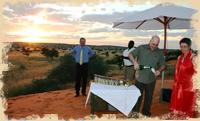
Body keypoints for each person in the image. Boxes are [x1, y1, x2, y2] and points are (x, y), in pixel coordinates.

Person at [128, 35, 166, 117]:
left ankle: (145, 113)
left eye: (156, 45)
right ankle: (135, 113)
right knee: (137, 96)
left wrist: (159, 70)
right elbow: (130, 54)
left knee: (148, 98)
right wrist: (134, 62)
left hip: (151, 79)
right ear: (150, 41)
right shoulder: (141, 48)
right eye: (153, 44)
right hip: (139, 77)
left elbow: (163, 65)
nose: (154, 46)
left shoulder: (159, 52)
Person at [170, 38, 197, 117]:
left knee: (187, 106)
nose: (183, 49)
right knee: (178, 105)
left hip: (189, 87)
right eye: (181, 46)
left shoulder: (194, 58)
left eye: (185, 46)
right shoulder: (179, 57)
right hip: (178, 86)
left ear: (189, 47)